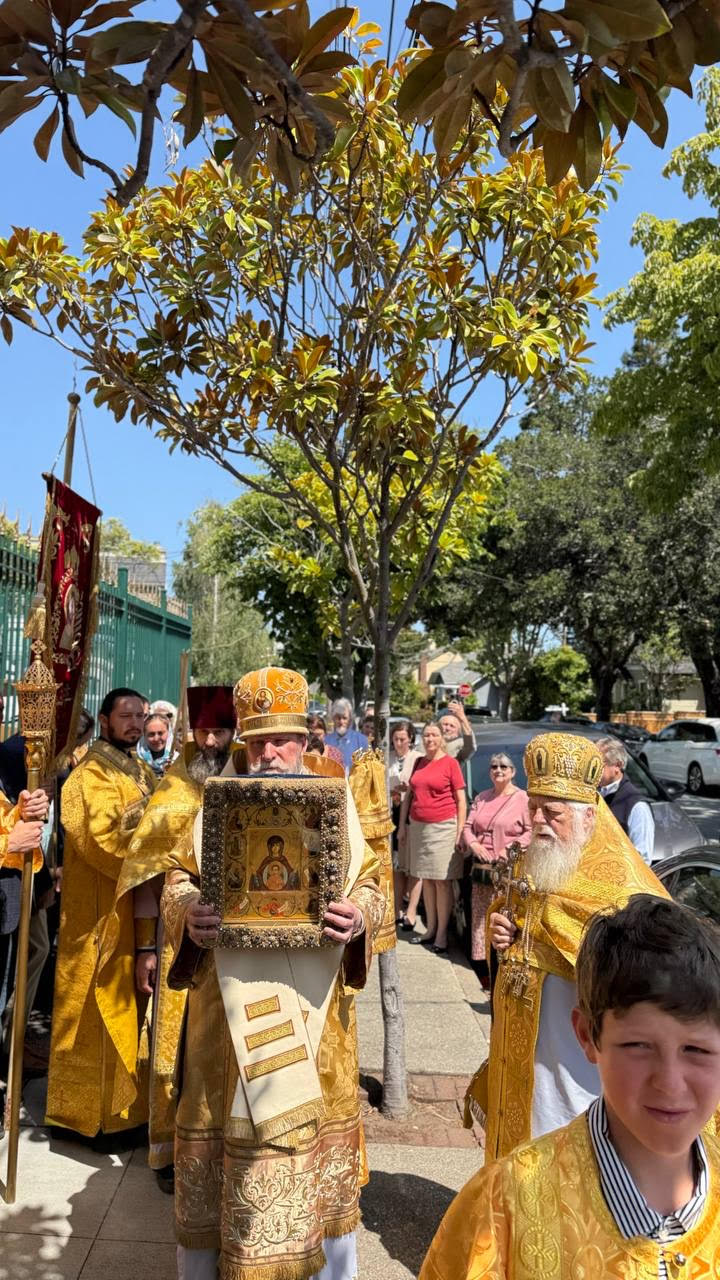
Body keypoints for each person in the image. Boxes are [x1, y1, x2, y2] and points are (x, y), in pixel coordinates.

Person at [160, 667, 385, 1280]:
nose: (268, 753)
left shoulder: (335, 802)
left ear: (304, 740)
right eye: (257, 741)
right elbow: (177, 878)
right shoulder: (216, 803)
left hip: (316, 1014)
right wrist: (189, 911)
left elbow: (372, 885)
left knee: (307, 1158)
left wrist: (359, 915)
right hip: (224, 1020)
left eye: (281, 740)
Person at [420, 894, 720, 1280]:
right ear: (587, 1035)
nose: (669, 1082)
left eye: (696, 1050)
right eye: (637, 1046)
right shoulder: (503, 1203)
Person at [464, 732, 667, 1161]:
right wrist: (502, 932)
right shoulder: (536, 863)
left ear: (588, 816)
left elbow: (648, 986)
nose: (538, 821)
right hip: (524, 1058)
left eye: (553, 813)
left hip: (580, 1072)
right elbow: (516, 919)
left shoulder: (627, 896)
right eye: (533, 808)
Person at [99, 685, 237, 1191]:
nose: (210, 741)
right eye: (202, 731)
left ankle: (224, 1152)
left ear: (234, 732)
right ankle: (171, 1155)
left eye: (219, 731)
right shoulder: (174, 789)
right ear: (189, 733)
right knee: (173, 1050)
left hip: (235, 944)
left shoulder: (248, 783)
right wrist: (144, 948)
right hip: (176, 938)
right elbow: (145, 878)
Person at [45, 687, 156, 1140]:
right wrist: (157, 836)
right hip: (95, 918)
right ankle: (83, 1119)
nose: (135, 724)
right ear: (105, 721)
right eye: (126, 716)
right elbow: (104, 841)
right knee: (90, 1011)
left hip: (135, 910)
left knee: (130, 1010)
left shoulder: (142, 770)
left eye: (140, 716)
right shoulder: (89, 775)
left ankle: (126, 1113)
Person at [461, 753, 530, 989]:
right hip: (482, 871)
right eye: (493, 766)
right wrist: (475, 845)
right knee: (481, 920)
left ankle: (503, 969)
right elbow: (468, 827)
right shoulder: (482, 797)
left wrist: (507, 850)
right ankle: (484, 971)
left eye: (503, 766)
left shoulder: (523, 799)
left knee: (504, 920)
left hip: (507, 872)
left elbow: (530, 831)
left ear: (513, 772)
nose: (498, 770)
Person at [397, 721, 466, 955]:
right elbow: (409, 796)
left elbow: (461, 800)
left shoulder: (450, 763)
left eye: (434, 735)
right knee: (426, 879)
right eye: (426, 735)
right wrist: (403, 826)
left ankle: (441, 935)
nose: (430, 739)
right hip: (419, 828)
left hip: (443, 828)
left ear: (441, 738)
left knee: (441, 881)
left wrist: (460, 831)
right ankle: (430, 930)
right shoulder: (419, 762)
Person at [598, 735, 655, 865]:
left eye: (599, 764)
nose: (593, 769)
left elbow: (642, 860)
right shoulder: (593, 794)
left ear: (618, 766)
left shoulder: (637, 807)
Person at [387, 720, 421, 922]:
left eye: (402, 739)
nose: (399, 743)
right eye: (396, 739)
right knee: (397, 864)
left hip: (410, 816)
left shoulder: (418, 758)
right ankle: (397, 907)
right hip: (392, 812)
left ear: (410, 739)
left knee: (413, 865)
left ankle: (412, 910)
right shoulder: (387, 757)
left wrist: (407, 789)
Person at [324, 697, 369, 771]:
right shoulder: (326, 741)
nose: (341, 722)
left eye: (344, 718)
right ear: (333, 718)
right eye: (338, 718)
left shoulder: (361, 740)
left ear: (350, 719)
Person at [138, 712, 175, 777]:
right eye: (151, 734)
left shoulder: (178, 761)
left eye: (160, 733)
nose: (156, 739)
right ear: (144, 735)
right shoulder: (136, 761)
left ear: (169, 734)